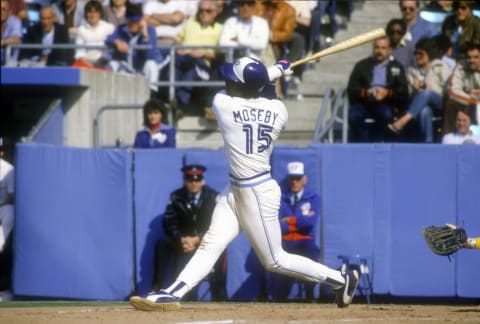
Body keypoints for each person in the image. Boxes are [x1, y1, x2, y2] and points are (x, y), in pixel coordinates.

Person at [129, 56, 359, 312]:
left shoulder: (223, 105)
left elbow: (247, 89)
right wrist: (272, 74)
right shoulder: (279, 111)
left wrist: (273, 70)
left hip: (257, 193)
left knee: (274, 260)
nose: (228, 83)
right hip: (237, 190)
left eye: (233, 80)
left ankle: (340, 279)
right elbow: (266, 94)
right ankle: (172, 293)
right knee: (211, 243)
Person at [151, 164, 227, 302]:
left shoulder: (213, 196)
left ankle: (220, 293)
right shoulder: (176, 196)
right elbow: (169, 222)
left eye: (197, 180)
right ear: (185, 181)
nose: (193, 183)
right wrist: (182, 238)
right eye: (190, 180)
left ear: (202, 181)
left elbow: (217, 224)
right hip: (183, 242)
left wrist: (198, 238)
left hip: (204, 241)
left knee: (221, 246)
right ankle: (156, 289)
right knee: (162, 243)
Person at [269, 161, 321, 303]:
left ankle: (310, 297)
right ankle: (280, 301)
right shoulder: (281, 199)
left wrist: (289, 221)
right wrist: (298, 221)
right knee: (278, 263)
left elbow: (310, 223)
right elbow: (277, 224)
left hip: (305, 241)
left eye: (298, 178)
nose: (294, 182)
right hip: (287, 242)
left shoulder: (313, 198)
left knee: (312, 255)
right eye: (292, 178)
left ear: (304, 179)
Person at [166, 0, 223, 120]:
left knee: (192, 71)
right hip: (184, 57)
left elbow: (220, 53)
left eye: (208, 11)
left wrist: (203, 53)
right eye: (201, 10)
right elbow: (177, 39)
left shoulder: (220, 29)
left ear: (215, 13)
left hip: (202, 63)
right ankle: (173, 100)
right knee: (173, 63)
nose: (204, 13)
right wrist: (179, 47)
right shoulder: (191, 23)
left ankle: (180, 103)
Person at [388, 37, 452, 142]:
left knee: (427, 93)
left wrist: (431, 90)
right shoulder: (413, 71)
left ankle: (403, 121)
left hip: (440, 102)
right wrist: (414, 89)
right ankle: (428, 143)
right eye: (416, 53)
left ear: (429, 53)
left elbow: (449, 88)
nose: (417, 56)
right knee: (424, 111)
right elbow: (408, 96)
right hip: (422, 105)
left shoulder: (441, 66)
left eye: (421, 54)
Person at [347, 36, 409, 143]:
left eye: (383, 48)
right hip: (364, 102)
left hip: (385, 103)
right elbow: (352, 89)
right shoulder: (362, 66)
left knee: (386, 115)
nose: (379, 51)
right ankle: (363, 145)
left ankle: (377, 142)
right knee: (353, 116)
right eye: (377, 47)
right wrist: (366, 93)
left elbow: (403, 92)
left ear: (390, 50)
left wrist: (387, 93)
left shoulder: (397, 67)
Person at [103, 3, 164, 94]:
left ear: (141, 20)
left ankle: (151, 95)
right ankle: (113, 94)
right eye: (130, 21)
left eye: (136, 21)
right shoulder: (121, 28)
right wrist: (116, 42)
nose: (133, 24)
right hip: (128, 65)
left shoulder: (150, 30)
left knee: (151, 65)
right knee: (113, 64)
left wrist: (145, 35)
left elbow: (150, 55)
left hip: (143, 64)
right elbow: (108, 40)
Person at [442, 42, 479, 135]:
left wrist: (470, 92)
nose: (471, 60)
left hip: (474, 102)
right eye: (469, 57)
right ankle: (449, 139)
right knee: (450, 104)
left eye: (476, 57)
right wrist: (472, 100)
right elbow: (452, 91)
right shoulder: (460, 66)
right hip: (467, 103)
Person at [73, 0, 115, 68]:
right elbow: (80, 53)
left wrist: (99, 63)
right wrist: (91, 66)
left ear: (100, 13)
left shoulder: (109, 28)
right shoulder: (81, 30)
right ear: (86, 14)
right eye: (90, 12)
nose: (93, 15)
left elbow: (110, 51)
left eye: (95, 12)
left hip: (104, 63)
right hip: (86, 64)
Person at [0, 137, 14, 302]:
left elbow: (11, 196)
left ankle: (4, 289)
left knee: (2, 245)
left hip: (3, 209)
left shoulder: (8, 169)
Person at [1, 0, 22, 66]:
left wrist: (2, 42)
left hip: (11, 65)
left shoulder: (15, 22)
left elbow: (16, 39)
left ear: (9, 12)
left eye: (3, 9)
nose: (1, 12)